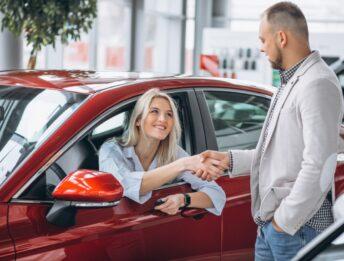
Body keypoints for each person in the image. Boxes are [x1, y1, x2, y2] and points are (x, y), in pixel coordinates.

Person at [198, 2, 344, 260]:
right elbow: (280, 154)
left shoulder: (317, 84)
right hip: (273, 227)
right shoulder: (290, 82)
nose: (261, 47)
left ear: (281, 37)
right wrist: (229, 160)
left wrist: (284, 221)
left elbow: (320, 165)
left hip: (296, 228)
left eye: (263, 39)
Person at [99, 88, 226, 216]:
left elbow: (217, 194)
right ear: (138, 120)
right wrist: (182, 165)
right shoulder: (111, 149)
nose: (163, 119)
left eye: (169, 114)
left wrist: (183, 199)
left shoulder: (174, 153)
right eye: (154, 111)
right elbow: (123, 186)